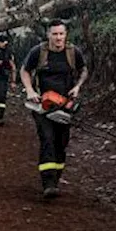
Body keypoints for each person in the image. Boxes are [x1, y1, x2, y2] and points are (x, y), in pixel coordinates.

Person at [20, 19, 87, 200]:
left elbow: (83, 70)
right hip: (42, 106)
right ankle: (48, 183)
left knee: (61, 141)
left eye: (61, 34)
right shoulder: (38, 52)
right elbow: (25, 70)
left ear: (66, 35)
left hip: (65, 105)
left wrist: (77, 87)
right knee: (47, 138)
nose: (58, 38)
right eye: (55, 34)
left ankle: (56, 178)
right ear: (48, 35)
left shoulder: (73, 52)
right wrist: (30, 90)